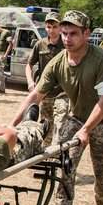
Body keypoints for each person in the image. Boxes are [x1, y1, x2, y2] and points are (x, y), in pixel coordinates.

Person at [10, 10, 103, 205]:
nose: (67, 38)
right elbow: (35, 96)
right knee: (64, 168)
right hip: (76, 118)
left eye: (74, 34)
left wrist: (87, 130)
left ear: (86, 34)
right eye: (65, 33)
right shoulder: (58, 62)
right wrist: (11, 125)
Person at [24, 12, 69, 145]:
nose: (52, 30)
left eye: (55, 26)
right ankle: (47, 154)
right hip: (46, 93)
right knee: (46, 125)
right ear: (45, 27)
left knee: (61, 124)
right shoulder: (40, 44)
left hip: (63, 92)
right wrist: (30, 81)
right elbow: (29, 64)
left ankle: (58, 151)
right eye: (49, 27)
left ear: (60, 27)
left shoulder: (67, 44)